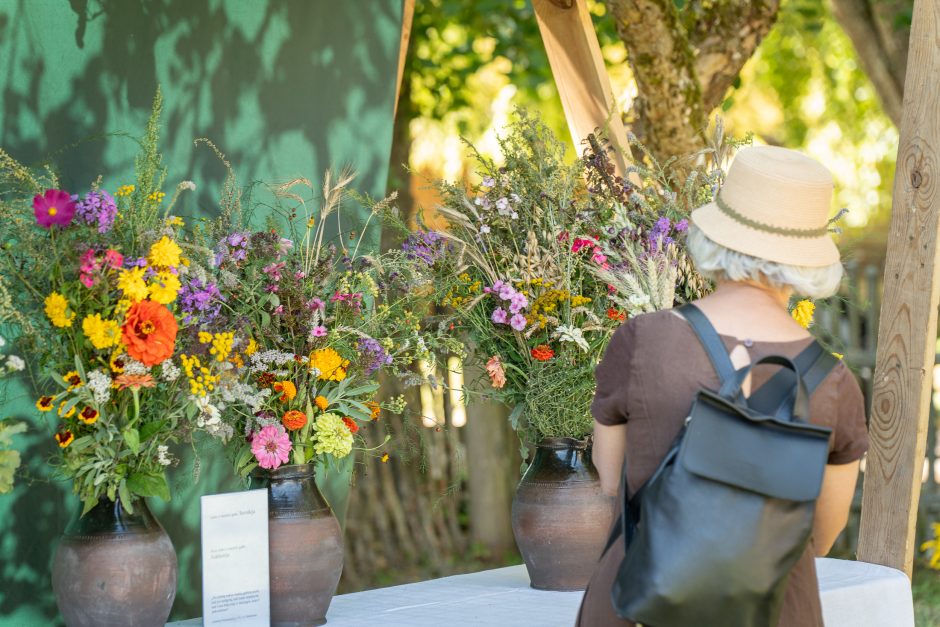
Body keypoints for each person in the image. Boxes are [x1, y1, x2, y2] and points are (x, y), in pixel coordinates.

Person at [576, 145, 870, 627]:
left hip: (641, 602)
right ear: (808, 257)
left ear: (718, 234)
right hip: (773, 609)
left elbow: (611, 482)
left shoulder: (643, 341)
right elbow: (820, 533)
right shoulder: (833, 383)